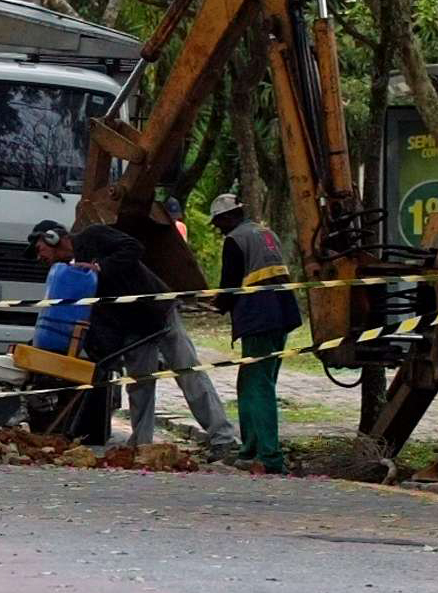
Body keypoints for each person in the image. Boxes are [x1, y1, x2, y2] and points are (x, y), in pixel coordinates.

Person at [29, 220, 240, 456]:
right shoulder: (72, 272)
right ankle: (142, 446)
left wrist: (100, 267)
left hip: (158, 312)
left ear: (52, 238)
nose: (39, 258)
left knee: (189, 374)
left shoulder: (93, 235)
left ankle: (222, 438)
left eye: (39, 250)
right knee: (140, 388)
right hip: (132, 328)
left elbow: (134, 248)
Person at [209, 193, 301, 475]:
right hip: (282, 312)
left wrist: (218, 304)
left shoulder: (236, 239)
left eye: (218, 222)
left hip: (259, 315)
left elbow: (230, 285)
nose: (218, 228)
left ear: (228, 217)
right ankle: (249, 449)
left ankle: (270, 457)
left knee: (259, 385)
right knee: (251, 383)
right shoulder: (265, 231)